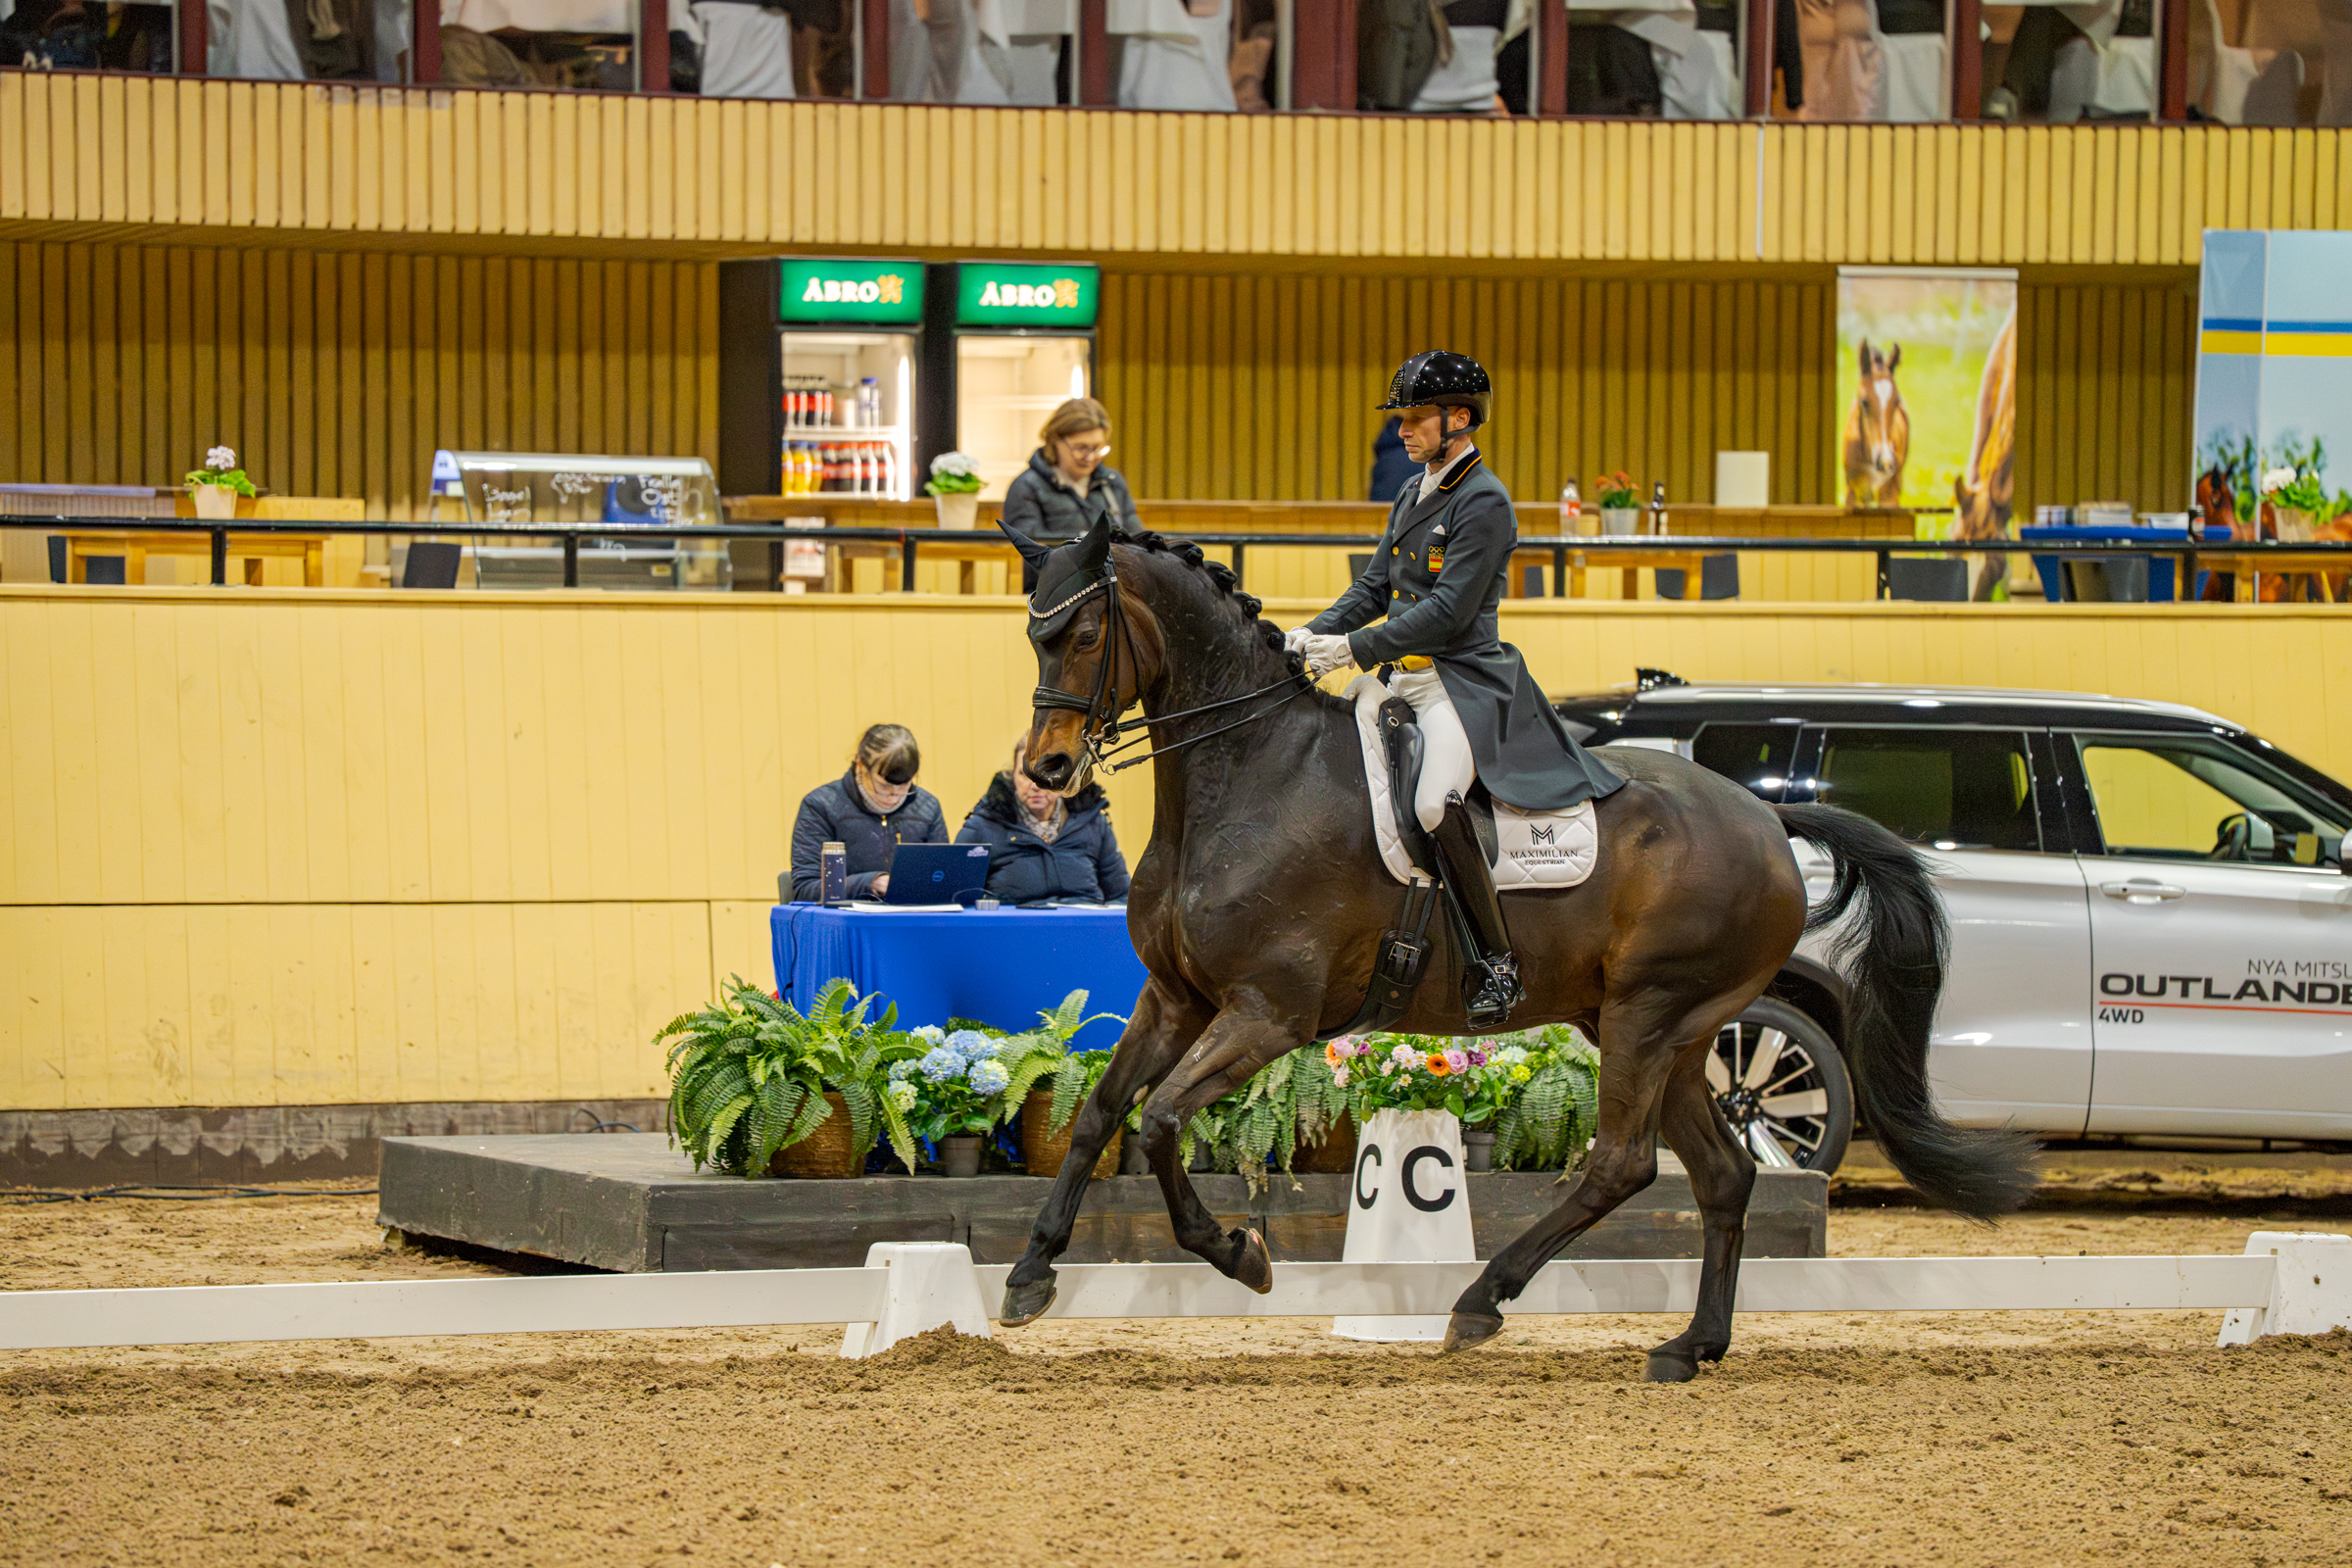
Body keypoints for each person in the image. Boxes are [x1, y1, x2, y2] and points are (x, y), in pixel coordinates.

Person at [1288, 350, 1625, 1027]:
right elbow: (1374, 587)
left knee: (1437, 805)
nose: (1403, 431)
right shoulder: (1413, 490)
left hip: (1458, 684)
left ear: (1459, 418)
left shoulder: (1485, 500)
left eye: (1415, 419)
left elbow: (1448, 611)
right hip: (1397, 678)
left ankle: (1495, 961)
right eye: (1403, 419)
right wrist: (1305, 636)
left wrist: (1350, 649)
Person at [956, 739, 1132, 905]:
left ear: (1065, 777)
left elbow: (1122, 896)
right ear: (1012, 776)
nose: (1035, 785)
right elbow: (956, 897)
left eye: (1047, 773)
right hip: (1014, 932)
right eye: (1025, 774)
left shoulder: (1094, 822)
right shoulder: (982, 827)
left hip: (1080, 931)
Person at [789, 724, 948, 902]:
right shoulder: (821, 806)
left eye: (904, 785)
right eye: (884, 786)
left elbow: (942, 882)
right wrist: (870, 884)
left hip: (912, 923)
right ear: (860, 765)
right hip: (847, 923)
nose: (893, 796)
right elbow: (805, 889)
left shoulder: (928, 807)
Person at [999, 396, 1141, 593]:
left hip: (1113, 595)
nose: (1091, 457)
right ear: (1055, 440)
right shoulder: (1026, 486)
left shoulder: (1113, 483)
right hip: (1054, 601)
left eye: (1098, 448)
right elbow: (1031, 559)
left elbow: (1137, 544)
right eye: (1081, 448)